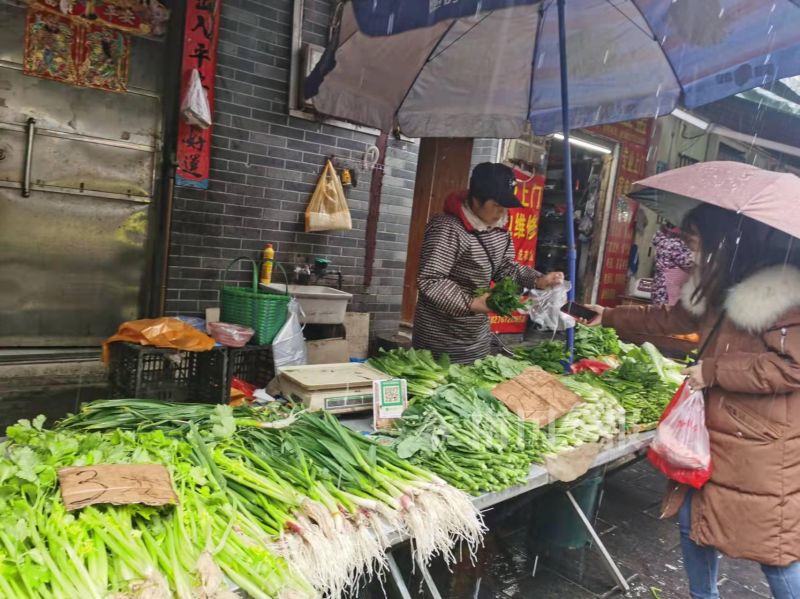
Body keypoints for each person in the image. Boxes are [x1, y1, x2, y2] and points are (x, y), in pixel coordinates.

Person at [588, 204, 800, 599]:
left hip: (761, 442)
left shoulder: (783, 293)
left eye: (695, 242)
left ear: (725, 240)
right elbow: (672, 319)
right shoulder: (720, 279)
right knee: (692, 520)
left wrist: (715, 371)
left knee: (774, 550)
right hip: (717, 431)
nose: (691, 252)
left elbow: (793, 368)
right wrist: (611, 316)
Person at [412, 162, 563, 364]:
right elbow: (431, 279)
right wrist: (471, 302)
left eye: (505, 206)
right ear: (475, 199)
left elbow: (505, 268)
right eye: (496, 205)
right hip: (440, 335)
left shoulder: (499, 230)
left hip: (477, 333)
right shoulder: (447, 228)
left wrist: (538, 280)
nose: (501, 212)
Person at [651, 224, 695, 306]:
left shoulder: (663, 240)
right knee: (667, 315)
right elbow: (689, 263)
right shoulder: (674, 244)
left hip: (660, 287)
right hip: (668, 290)